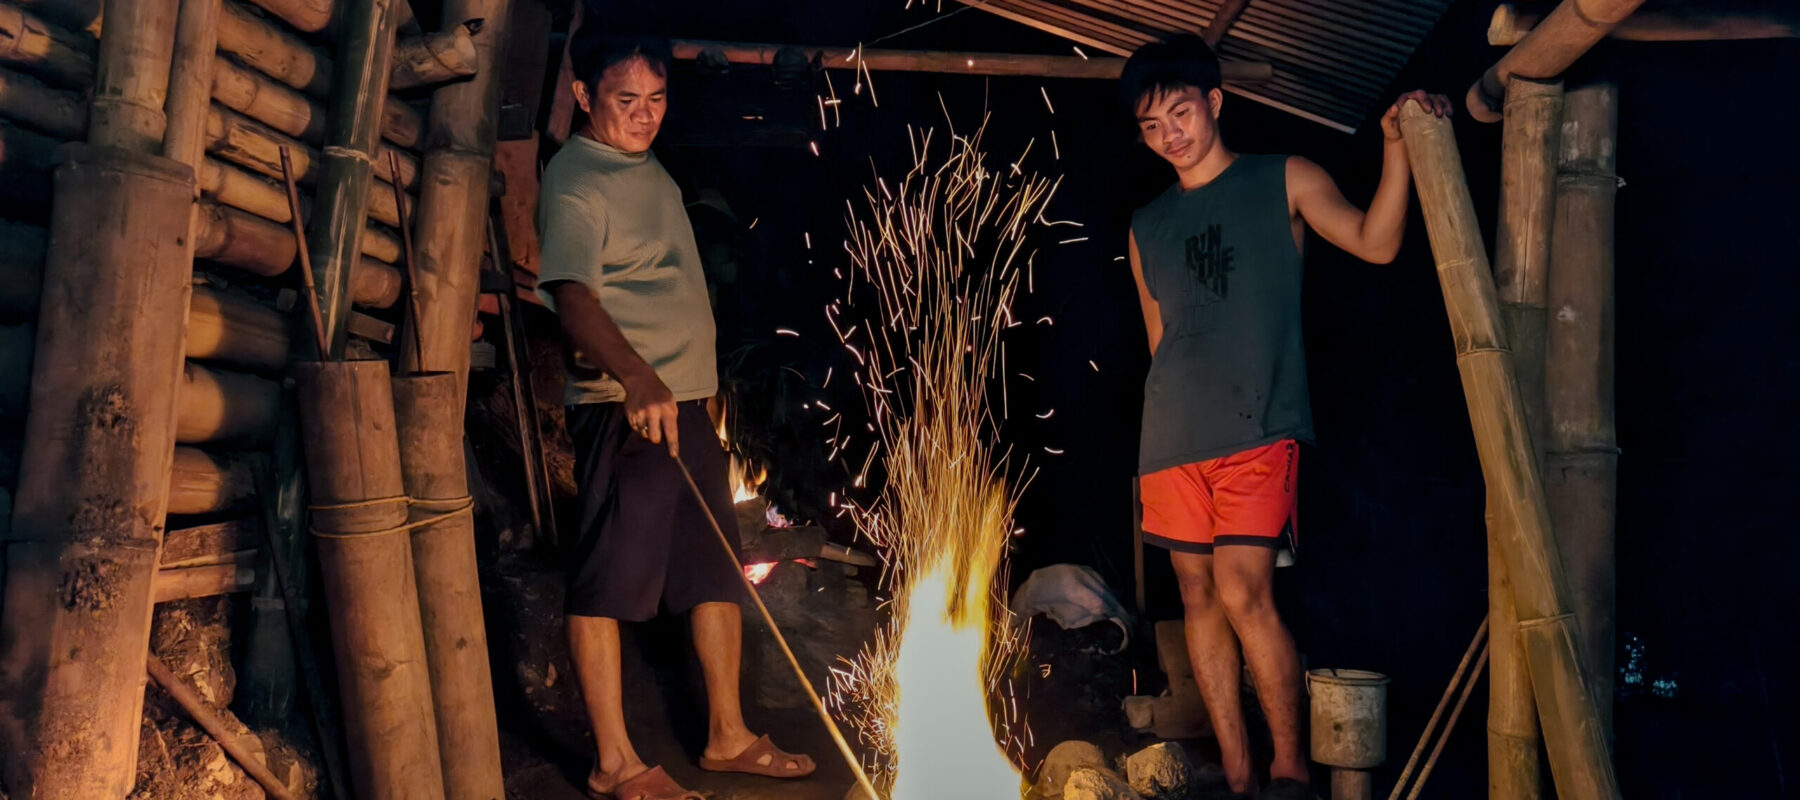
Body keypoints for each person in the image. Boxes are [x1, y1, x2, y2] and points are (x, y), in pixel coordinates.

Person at [1119, 34, 1451, 799]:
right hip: (1171, 435)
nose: (1171, 132)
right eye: (1152, 124)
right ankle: (1238, 776)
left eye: (1181, 111)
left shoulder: (1285, 179)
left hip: (1259, 425)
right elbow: (1157, 343)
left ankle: (1290, 771)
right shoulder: (1145, 227)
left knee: (1244, 591)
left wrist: (1395, 149)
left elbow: (1377, 241)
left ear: (1215, 103)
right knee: (1196, 596)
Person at [536, 31, 815, 800]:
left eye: (657, 100)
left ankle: (726, 737)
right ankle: (615, 764)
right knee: (607, 583)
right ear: (586, 95)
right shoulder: (575, 179)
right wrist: (635, 377)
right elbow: (574, 295)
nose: (645, 116)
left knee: (714, 573)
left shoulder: (643, 165)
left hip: (686, 406)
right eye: (627, 101)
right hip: (626, 412)